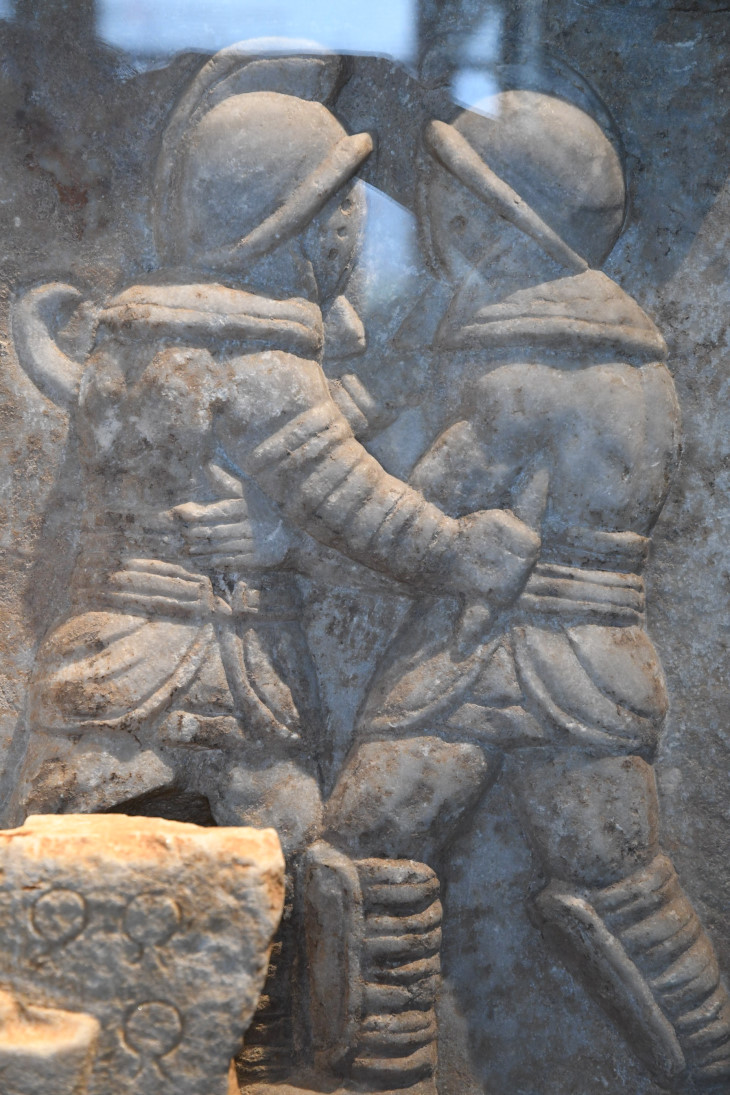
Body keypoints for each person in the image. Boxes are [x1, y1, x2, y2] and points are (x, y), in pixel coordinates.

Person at [9, 49, 539, 1095]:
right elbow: (349, 500)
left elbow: (286, 459)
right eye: (336, 212)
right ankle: (286, 1052)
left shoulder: (133, 342)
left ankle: (79, 1038)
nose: (351, 232)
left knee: (67, 841)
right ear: (280, 226)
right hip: (224, 662)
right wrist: (455, 550)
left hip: (107, 647)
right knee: (293, 845)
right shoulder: (263, 364)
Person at [304, 91, 730, 1094]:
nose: (437, 223)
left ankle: (383, 1076)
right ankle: (711, 1061)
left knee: (366, 848)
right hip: (602, 659)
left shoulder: (516, 375)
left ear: (500, 224)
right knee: (618, 876)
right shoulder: (636, 365)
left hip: (486, 651)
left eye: (454, 206)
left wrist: (306, 475)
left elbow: (418, 520)